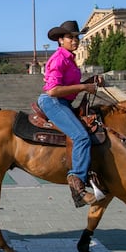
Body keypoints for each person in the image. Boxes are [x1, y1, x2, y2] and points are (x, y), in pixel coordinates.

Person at [37, 20, 104, 208]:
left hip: (64, 101)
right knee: (81, 136)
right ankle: (77, 184)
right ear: (60, 40)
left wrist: (90, 81)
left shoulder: (70, 58)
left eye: (77, 37)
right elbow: (53, 90)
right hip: (53, 102)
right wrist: (84, 86)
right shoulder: (59, 59)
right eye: (70, 37)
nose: (75, 40)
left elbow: (68, 86)